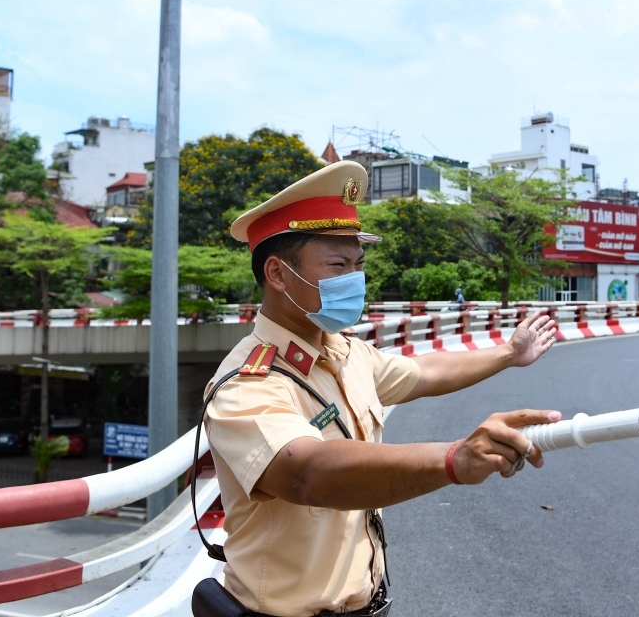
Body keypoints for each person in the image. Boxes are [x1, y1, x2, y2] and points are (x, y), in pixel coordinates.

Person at [200, 161, 561, 617]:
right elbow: (309, 472)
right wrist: (454, 459)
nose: (355, 280)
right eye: (339, 265)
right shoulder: (247, 385)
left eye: (358, 265)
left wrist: (508, 353)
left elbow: (424, 372)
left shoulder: (347, 353)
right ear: (277, 274)